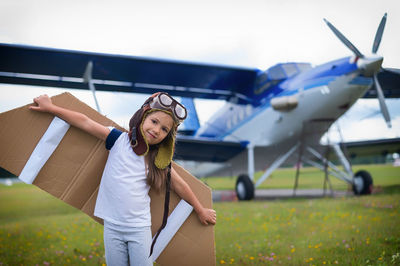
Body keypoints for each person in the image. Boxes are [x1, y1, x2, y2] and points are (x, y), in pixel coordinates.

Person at [30, 92, 217, 266]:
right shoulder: (118, 140)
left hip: (139, 228)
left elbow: (179, 185)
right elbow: (84, 122)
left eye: (164, 129)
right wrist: (51, 108)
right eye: (154, 121)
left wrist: (200, 210)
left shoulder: (157, 161)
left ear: (168, 137)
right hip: (111, 226)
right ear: (143, 116)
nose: (157, 130)